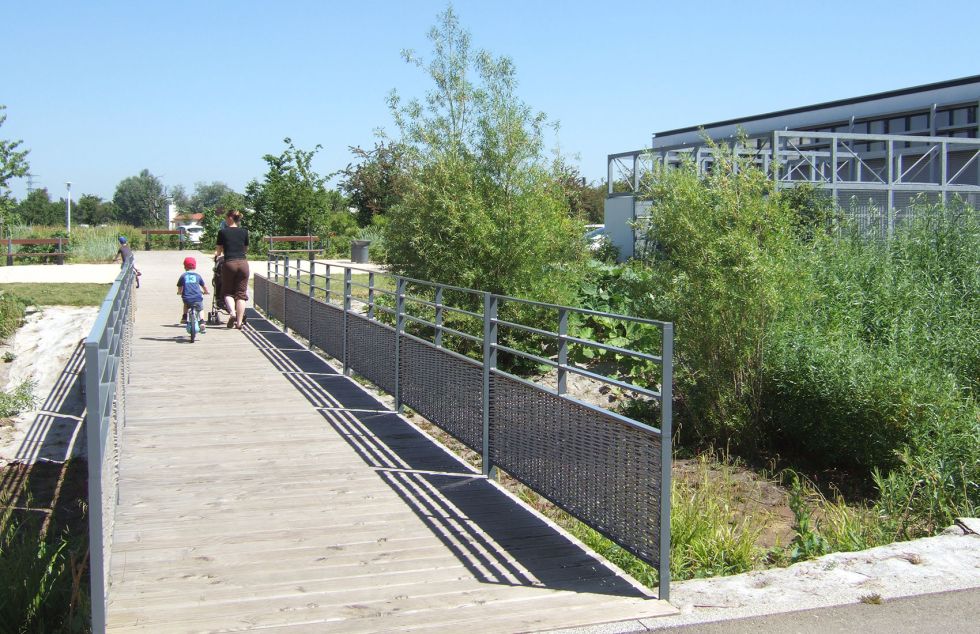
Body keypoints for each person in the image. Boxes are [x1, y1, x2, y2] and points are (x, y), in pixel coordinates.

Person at [214, 209, 249, 329]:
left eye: (225, 217)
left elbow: (218, 251)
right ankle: (239, 323)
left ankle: (232, 313)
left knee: (227, 292)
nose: (224, 219)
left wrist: (217, 255)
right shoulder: (244, 232)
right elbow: (245, 250)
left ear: (230, 218)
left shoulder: (222, 232)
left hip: (229, 263)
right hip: (243, 264)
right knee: (241, 294)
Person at [177, 256, 209, 334]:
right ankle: (201, 321)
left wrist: (179, 292)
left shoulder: (183, 276)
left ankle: (184, 316)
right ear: (195, 266)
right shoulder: (198, 276)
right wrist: (206, 292)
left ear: (184, 266)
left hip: (187, 298)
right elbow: (203, 286)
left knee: (185, 304)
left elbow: (180, 286)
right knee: (200, 308)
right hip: (197, 297)